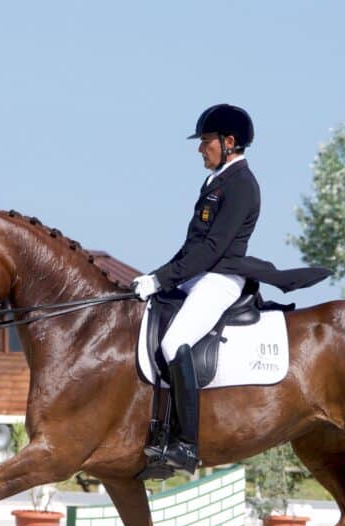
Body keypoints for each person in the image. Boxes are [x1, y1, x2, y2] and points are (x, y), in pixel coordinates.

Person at [132, 104, 330, 475]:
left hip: (220, 277)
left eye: (205, 141)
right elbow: (192, 244)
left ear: (229, 142)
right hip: (201, 271)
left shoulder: (241, 185)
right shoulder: (216, 181)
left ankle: (186, 446)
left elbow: (211, 250)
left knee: (174, 344)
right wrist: (158, 277)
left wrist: (162, 279)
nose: (199, 149)